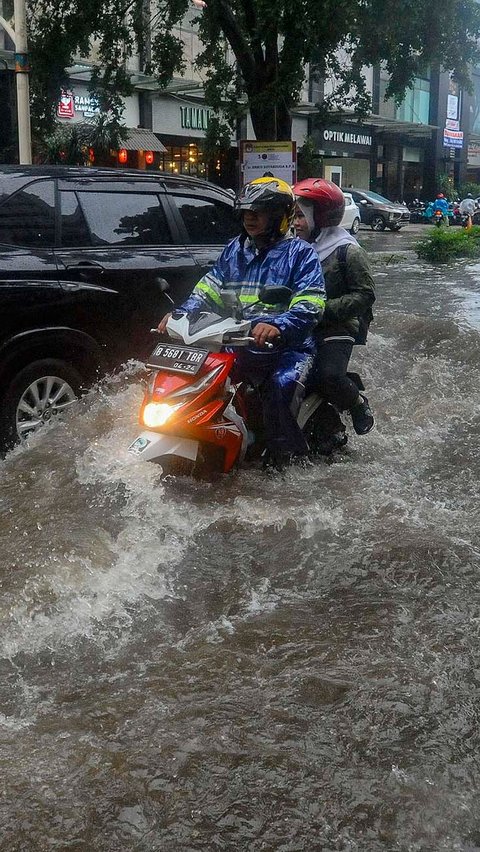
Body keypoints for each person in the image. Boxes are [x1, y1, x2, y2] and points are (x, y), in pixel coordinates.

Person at [157, 176, 326, 467]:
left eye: (257, 212)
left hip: (288, 347)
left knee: (281, 387)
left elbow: (312, 302)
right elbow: (208, 287)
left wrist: (279, 325)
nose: (249, 218)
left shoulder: (302, 254)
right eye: (246, 211)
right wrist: (180, 314)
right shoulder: (236, 248)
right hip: (237, 340)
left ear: (278, 217)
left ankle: (284, 458)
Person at [292, 178, 375, 435]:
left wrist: (322, 310)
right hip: (298, 323)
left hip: (337, 325)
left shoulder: (348, 252)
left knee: (327, 375)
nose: (295, 223)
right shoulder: (293, 249)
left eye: (301, 216)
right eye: (293, 216)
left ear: (321, 217)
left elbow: (364, 295)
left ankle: (357, 403)